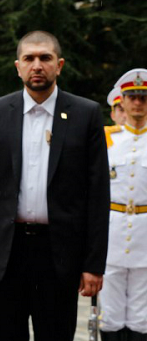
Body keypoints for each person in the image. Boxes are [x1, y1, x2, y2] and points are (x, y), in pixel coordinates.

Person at [0, 30, 110, 341]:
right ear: (18, 67)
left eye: (45, 58)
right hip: (5, 251)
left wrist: (94, 264)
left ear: (59, 65)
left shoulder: (86, 114)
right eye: (29, 58)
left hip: (59, 252)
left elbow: (98, 195)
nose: (37, 65)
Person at [99, 68, 147, 341]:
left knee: (142, 317)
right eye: (133, 97)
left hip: (145, 236)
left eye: (143, 97)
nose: (138, 103)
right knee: (111, 315)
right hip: (113, 233)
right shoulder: (108, 139)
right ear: (123, 100)